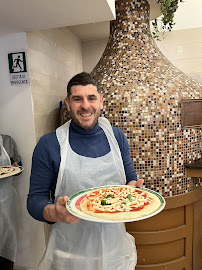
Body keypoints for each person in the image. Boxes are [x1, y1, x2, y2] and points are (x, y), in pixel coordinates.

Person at [27, 72, 144, 270]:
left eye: (91, 98)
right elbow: (34, 200)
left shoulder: (117, 137)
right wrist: (55, 213)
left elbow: (130, 179)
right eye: (77, 99)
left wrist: (133, 191)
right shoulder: (49, 144)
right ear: (67, 102)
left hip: (114, 251)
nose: (86, 106)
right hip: (71, 254)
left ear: (101, 101)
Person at [0, 134, 22, 270]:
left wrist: (16, 167)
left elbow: (18, 167)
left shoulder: (8, 141)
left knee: (8, 240)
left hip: (7, 201)